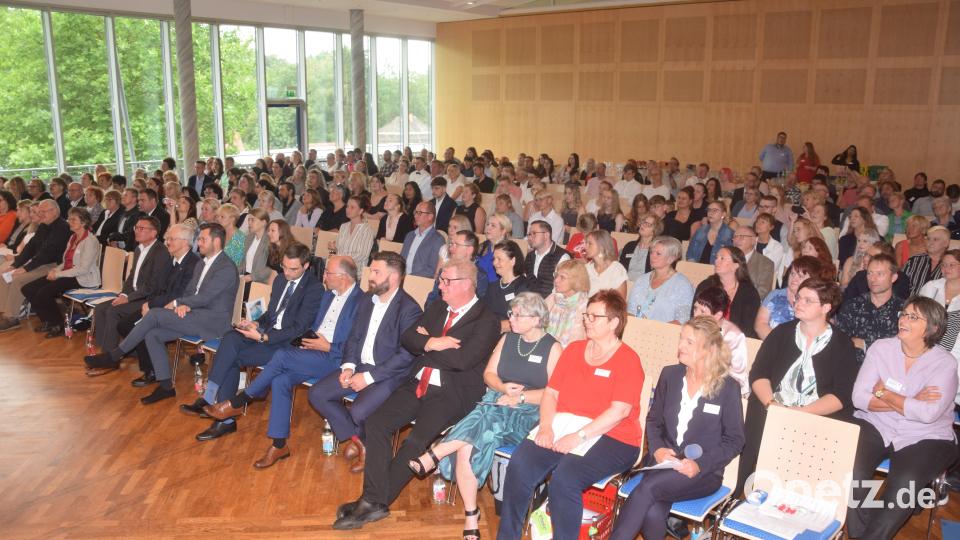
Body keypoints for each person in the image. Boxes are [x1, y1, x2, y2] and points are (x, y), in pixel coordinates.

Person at [332, 260, 501, 530]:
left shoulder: (487, 320)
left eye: (446, 281)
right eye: (441, 280)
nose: (440, 286)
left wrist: (425, 348)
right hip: (418, 383)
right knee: (377, 422)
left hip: (452, 393)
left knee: (415, 441)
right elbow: (408, 338)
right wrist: (433, 342)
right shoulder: (438, 307)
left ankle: (375, 500)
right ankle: (373, 501)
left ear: (467, 284)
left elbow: (463, 360)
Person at [408, 293, 561, 540]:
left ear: (535, 319)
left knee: (485, 419)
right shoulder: (508, 339)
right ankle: (471, 514)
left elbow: (553, 393)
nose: (510, 318)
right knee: (468, 445)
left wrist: (519, 398)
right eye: (511, 313)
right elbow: (488, 374)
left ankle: (436, 452)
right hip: (497, 400)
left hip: (529, 410)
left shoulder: (553, 347)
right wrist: (502, 389)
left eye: (517, 315)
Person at [498, 290, 644, 539]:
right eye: (586, 314)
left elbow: (619, 412)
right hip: (565, 424)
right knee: (520, 464)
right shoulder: (574, 350)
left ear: (614, 322)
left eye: (594, 316)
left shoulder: (628, 360)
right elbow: (551, 394)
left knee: (565, 478)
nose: (587, 320)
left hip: (614, 436)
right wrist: (545, 426)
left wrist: (578, 437)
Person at [201, 250, 352, 462]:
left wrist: (328, 347)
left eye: (328, 272)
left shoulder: (357, 301)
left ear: (343, 276)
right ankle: (279, 445)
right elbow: (282, 316)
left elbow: (356, 343)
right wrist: (258, 324)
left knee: (281, 355)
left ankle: (239, 401)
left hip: (333, 358)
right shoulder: (328, 295)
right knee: (277, 378)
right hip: (306, 349)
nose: (324, 275)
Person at [611, 316, 744, 540]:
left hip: (702, 472)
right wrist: (657, 449)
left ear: (709, 349)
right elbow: (654, 420)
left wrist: (699, 464)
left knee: (646, 490)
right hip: (663, 463)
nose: (680, 346)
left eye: (689, 342)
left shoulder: (727, 388)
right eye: (681, 339)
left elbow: (735, 440)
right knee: (653, 511)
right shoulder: (670, 375)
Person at [84, 224, 240, 404]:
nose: (199, 243)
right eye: (199, 239)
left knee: (155, 314)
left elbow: (206, 297)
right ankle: (166, 387)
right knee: (153, 335)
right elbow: (190, 292)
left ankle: (115, 355)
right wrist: (184, 305)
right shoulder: (203, 263)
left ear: (217, 241)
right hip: (194, 315)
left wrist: (179, 303)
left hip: (212, 322)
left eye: (203, 239)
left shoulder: (226, 267)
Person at [847, 297, 958, 539]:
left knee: (904, 486)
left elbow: (927, 414)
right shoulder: (881, 348)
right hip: (875, 424)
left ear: (933, 328)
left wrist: (884, 392)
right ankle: (857, 533)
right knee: (853, 470)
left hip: (925, 436)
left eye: (913, 317)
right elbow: (859, 398)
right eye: (903, 314)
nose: (903, 319)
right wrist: (912, 398)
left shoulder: (945, 364)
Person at [737, 278, 859, 494]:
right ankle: (737, 494)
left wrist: (801, 413)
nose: (798, 303)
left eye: (808, 300)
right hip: (773, 405)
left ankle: (794, 498)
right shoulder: (782, 333)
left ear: (826, 307)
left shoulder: (842, 344)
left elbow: (841, 395)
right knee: (752, 426)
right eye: (799, 297)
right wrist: (772, 404)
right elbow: (759, 373)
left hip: (816, 413)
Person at [308, 252, 423, 473]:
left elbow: (406, 355)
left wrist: (368, 377)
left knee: (358, 412)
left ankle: (360, 440)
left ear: (395, 277)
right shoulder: (367, 300)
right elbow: (354, 337)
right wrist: (349, 366)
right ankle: (361, 442)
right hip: (359, 365)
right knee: (317, 393)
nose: (370, 276)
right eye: (371, 270)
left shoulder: (409, 309)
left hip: (389, 374)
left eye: (377, 272)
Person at [90, 216, 171, 353]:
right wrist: (123, 294)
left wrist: (128, 298)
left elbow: (153, 286)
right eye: (136, 228)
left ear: (153, 233)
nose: (136, 231)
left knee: (113, 311)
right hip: (134, 295)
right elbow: (132, 276)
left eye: (141, 228)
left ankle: (110, 355)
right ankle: (103, 348)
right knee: (100, 309)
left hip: (148, 298)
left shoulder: (161, 252)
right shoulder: (139, 249)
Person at [21, 208, 100, 338]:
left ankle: (59, 325)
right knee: (28, 289)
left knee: (43, 293)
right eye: (69, 219)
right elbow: (66, 262)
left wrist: (58, 274)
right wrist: (56, 269)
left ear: (84, 222)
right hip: (68, 274)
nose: (69, 221)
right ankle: (48, 321)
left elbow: (83, 269)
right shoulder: (72, 237)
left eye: (73, 219)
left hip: (82, 278)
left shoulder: (90, 241)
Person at [0, 200, 71, 332]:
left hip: (55, 265)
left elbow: (48, 253)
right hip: (41, 262)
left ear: (55, 211)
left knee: (18, 279)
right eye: (40, 212)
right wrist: (15, 264)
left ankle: (11, 318)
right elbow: (31, 247)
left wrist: (25, 268)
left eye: (43, 212)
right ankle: (3, 312)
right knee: (5, 273)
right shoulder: (44, 225)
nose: (41, 214)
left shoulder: (62, 227)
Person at [836, 254, 904, 364]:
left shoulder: (904, 311)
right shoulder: (853, 306)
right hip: (852, 370)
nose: (873, 279)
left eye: (880, 274)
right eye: (869, 273)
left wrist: (863, 344)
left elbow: (902, 350)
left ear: (893, 278)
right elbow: (840, 344)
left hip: (888, 373)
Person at [693, 246, 762, 339]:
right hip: (705, 338)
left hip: (735, 343)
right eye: (716, 258)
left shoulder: (749, 293)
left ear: (736, 265)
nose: (716, 261)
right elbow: (694, 318)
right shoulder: (706, 286)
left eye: (722, 258)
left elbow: (748, 330)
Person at [692, 287, 750, 395]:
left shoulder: (733, 336)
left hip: (723, 388)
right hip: (697, 382)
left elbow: (736, 377)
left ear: (718, 315)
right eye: (695, 309)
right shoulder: (692, 329)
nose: (696, 315)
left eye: (702, 311)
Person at [483, 240, 529, 331]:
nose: (494, 263)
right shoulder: (493, 286)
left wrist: (491, 327)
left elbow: (520, 321)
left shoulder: (524, 287)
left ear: (513, 261)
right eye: (494, 259)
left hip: (509, 335)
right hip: (490, 331)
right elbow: (483, 313)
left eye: (499, 259)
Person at [545, 259, 589, 347]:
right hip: (546, 351)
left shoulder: (585, 306)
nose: (556, 280)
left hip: (571, 354)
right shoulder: (553, 298)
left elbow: (580, 342)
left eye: (562, 277)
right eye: (556, 275)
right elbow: (535, 322)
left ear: (576, 280)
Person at [524, 220, 571, 297]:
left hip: (551, 303)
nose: (530, 237)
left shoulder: (562, 257)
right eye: (529, 234)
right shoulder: (530, 256)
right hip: (530, 302)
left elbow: (562, 290)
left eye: (534, 234)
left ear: (546, 235)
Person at [400, 201, 446, 279]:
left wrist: (408, 278)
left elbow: (431, 270)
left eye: (419, 213)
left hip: (420, 282)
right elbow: (401, 259)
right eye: (415, 212)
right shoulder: (410, 235)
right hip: (402, 278)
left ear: (430, 216)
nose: (415, 216)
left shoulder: (438, 240)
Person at [732, 225, 775, 300]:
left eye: (742, 236)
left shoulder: (766, 264)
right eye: (735, 236)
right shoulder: (726, 258)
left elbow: (762, 293)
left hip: (747, 304)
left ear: (753, 240)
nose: (737, 240)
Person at [904, 225, 949, 295]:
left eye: (935, 239)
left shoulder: (952, 265)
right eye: (928, 239)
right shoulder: (914, 260)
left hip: (937, 304)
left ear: (946, 243)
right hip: (911, 302)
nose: (930, 243)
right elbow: (901, 284)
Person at [335, 196, 376, 269]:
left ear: (360, 211)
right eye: (347, 206)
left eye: (352, 207)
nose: (348, 209)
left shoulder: (367, 230)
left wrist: (341, 258)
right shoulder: (343, 226)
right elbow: (338, 248)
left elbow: (362, 254)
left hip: (356, 271)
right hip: (341, 267)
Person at [584, 229, 627, 297]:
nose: (585, 247)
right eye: (586, 243)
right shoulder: (586, 268)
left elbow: (620, 301)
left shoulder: (616, 269)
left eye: (590, 243)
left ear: (601, 247)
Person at [621, 213, 662, 282]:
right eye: (643, 222)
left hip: (643, 287)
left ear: (654, 231)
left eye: (648, 224)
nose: (643, 225)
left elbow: (656, 276)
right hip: (625, 284)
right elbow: (620, 268)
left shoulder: (656, 251)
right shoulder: (630, 246)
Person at [239, 208, 272, 286]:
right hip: (245, 277)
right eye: (248, 220)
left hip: (259, 281)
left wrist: (251, 277)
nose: (249, 223)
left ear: (263, 223)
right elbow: (242, 262)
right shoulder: (248, 238)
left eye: (252, 220)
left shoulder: (269, 241)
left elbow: (270, 269)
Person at [477, 214, 512, 284]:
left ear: (503, 231)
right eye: (487, 224)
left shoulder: (508, 251)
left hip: (496, 289)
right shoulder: (482, 246)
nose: (488, 228)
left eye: (493, 225)